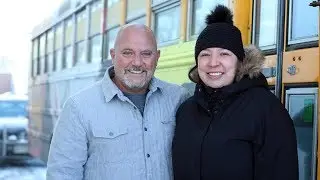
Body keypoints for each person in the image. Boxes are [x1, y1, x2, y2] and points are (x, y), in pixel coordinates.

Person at [172, 5, 299, 180]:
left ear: (239, 62)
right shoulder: (185, 110)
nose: (213, 63)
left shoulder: (266, 110)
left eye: (224, 54)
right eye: (205, 55)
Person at [46, 24, 189, 180]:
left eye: (146, 54)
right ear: (113, 56)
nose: (137, 62)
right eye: (127, 53)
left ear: (157, 57)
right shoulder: (79, 108)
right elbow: (62, 174)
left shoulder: (178, 99)